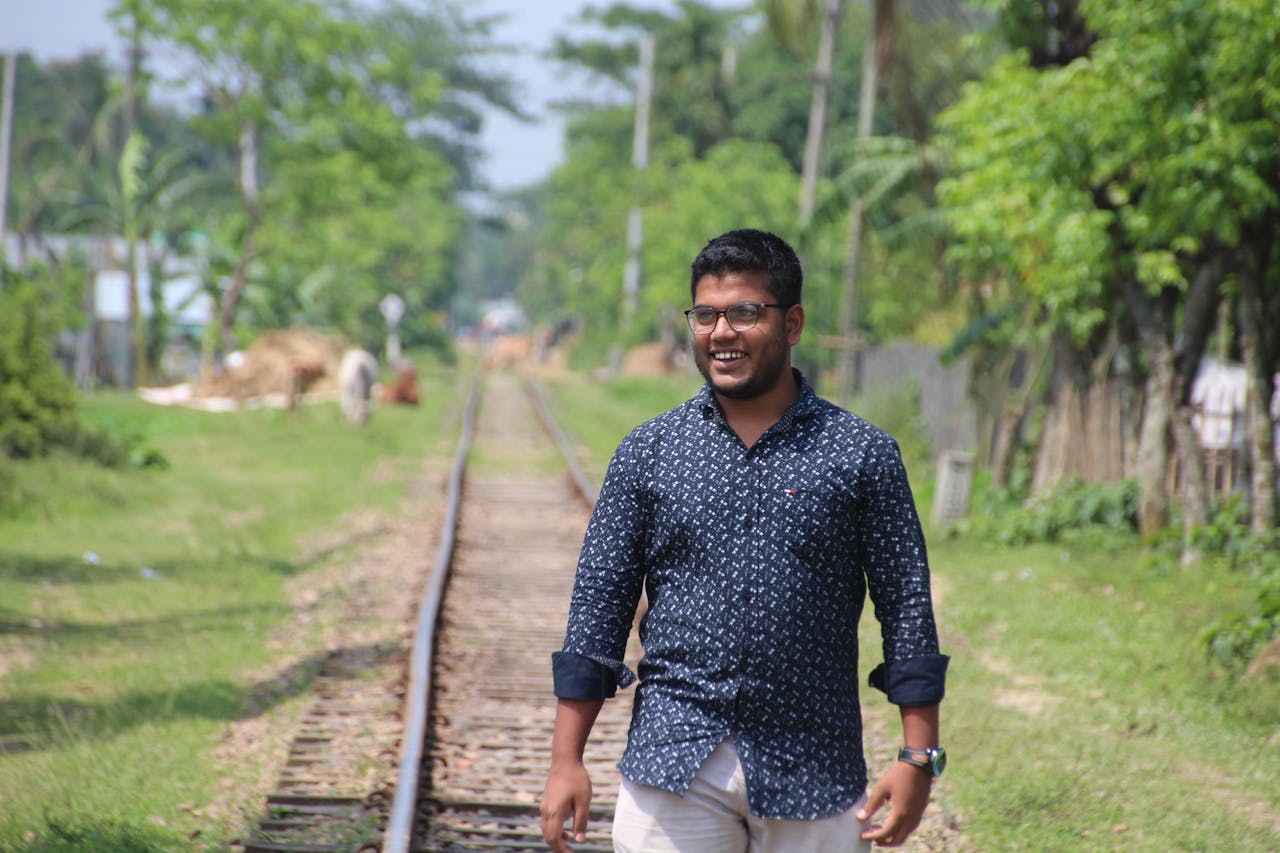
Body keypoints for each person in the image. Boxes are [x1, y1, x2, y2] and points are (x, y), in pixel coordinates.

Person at [540, 229, 949, 853]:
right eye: (705, 315)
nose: (721, 332)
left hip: (814, 767)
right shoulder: (649, 453)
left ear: (792, 323)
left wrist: (918, 757)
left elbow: (907, 610)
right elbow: (598, 609)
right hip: (674, 761)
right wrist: (566, 760)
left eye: (744, 313)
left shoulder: (861, 456)